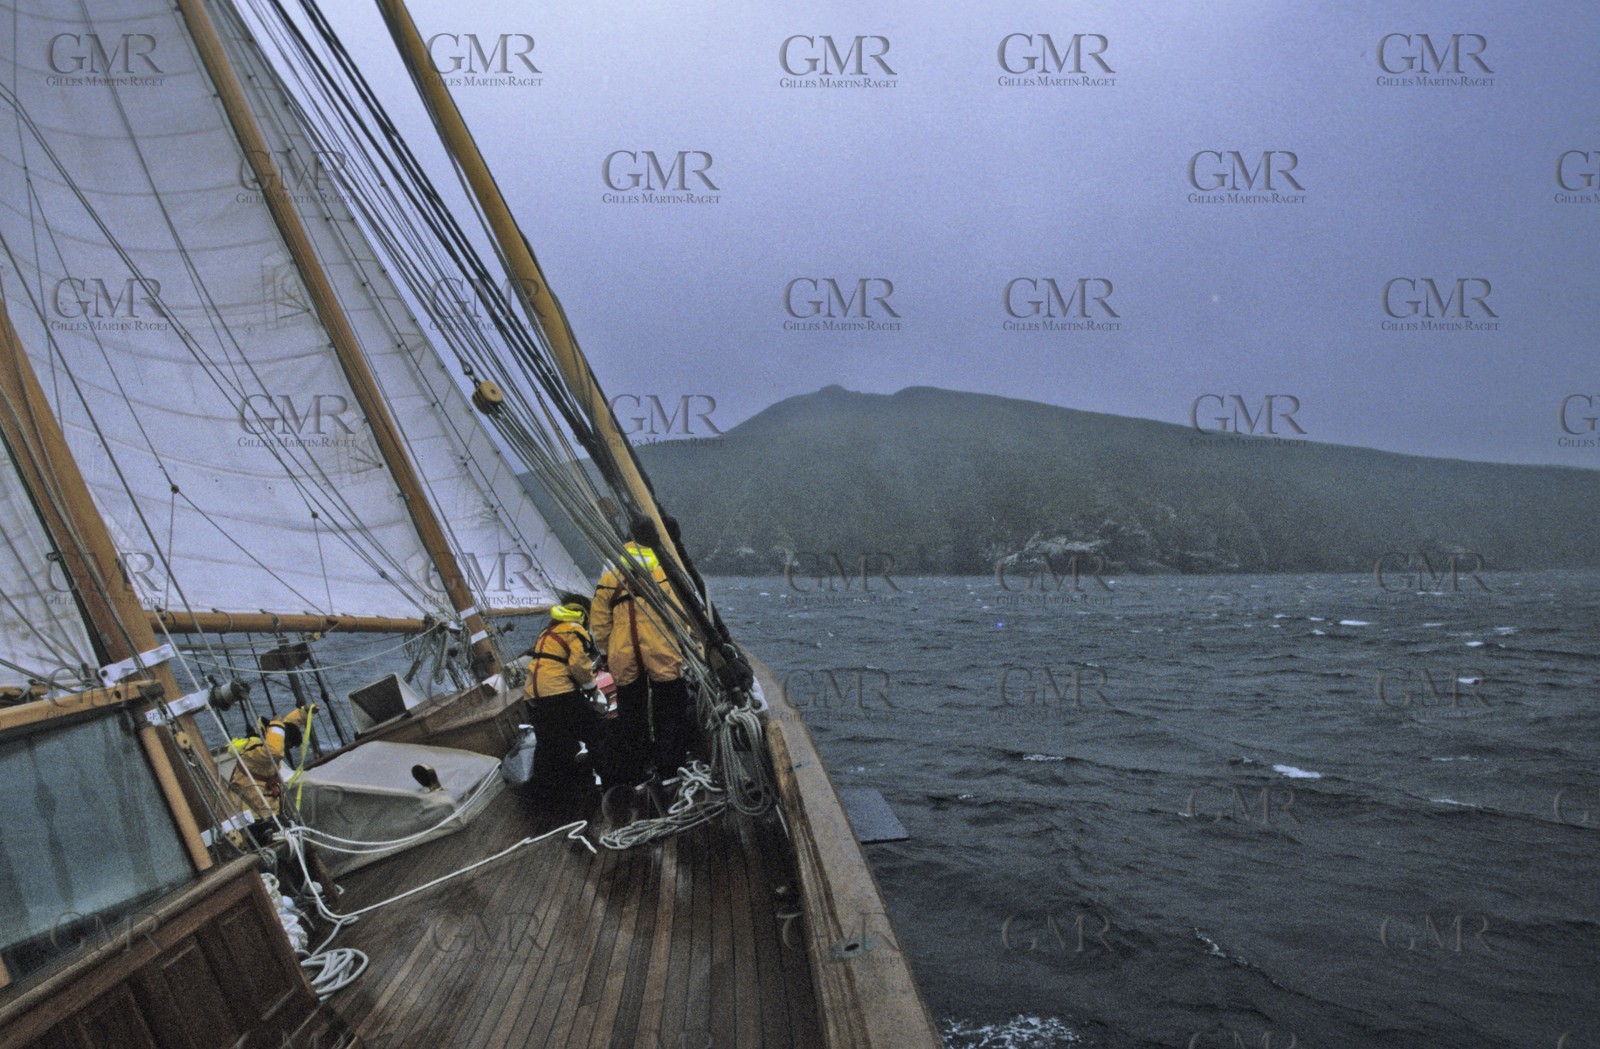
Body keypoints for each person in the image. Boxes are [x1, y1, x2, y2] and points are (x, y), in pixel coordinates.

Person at [591, 517, 692, 787]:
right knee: (670, 710)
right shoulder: (664, 571)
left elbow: (600, 626)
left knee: (630, 717)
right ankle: (670, 770)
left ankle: (635, 774)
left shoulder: (609, 578)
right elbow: (680, 617)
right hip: (661, 650)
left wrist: (605, 651)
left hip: (623, 655)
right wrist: (683, 643)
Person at [522, 594, 601, 799]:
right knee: (597, 730)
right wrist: (593, 689)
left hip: (535, 696)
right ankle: (610, 778)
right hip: (558, 692)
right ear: (582, 614)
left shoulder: (546, 632)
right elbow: (578, 666)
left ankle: (555, 793)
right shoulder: (574, 630)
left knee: (553, 744)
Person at [227, 704, 313, 819]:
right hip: (254, 813)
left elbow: (284, 726)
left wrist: (303, 714)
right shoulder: (258, 751)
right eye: (288, 745)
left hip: (268, 807)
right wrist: (277, 723)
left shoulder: (267, 739)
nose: (287, 749)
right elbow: (275, 750)